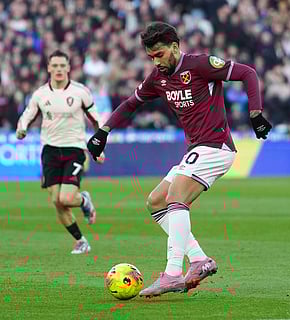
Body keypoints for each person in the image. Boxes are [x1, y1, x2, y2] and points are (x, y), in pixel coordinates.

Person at [87, 22, 272, 297]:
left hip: (216, 147)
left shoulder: (200, 65)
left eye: (159, 54)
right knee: (156, 202)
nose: (156, 61)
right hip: (196, 150)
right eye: (151, 57)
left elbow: (248, 73)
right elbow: (130, 104)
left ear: (175, 47)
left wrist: (255, 113)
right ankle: (198, 260)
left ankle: (172, 274)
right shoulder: (157, 78)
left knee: (176, 197)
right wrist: (103, 130)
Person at [16, 50, 100, 254]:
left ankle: (83, 200)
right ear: (49, 68)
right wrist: (22, 127)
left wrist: (99, 146)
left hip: (75, 149)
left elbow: (97, 120)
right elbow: (27, 115)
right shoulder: (40, 94)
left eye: (62, 65)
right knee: (56, 201)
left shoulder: (81, 92)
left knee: (66, 198)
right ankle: (81, 240)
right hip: (50, 151)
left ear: (69, 68)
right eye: (55, 66)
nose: (59, 69)